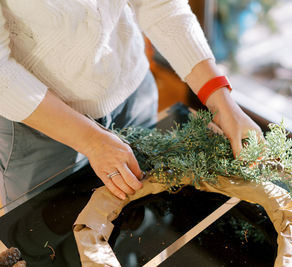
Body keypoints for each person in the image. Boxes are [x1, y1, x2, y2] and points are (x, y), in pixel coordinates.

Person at [0, 0, 261, 206]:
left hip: (131, 91)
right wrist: (91, 140)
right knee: (48, 236)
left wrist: (220, 100)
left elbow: (161, 5)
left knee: (142, 219)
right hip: (40, 121)